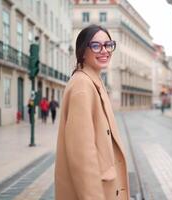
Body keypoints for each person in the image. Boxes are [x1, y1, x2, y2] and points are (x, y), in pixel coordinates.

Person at [55, 25, 130, 200]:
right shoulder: (83, 86)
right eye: (96, 46)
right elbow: (82, 158)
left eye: (108, 45)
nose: (104, 51)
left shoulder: (92, 81)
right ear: (82, 52)